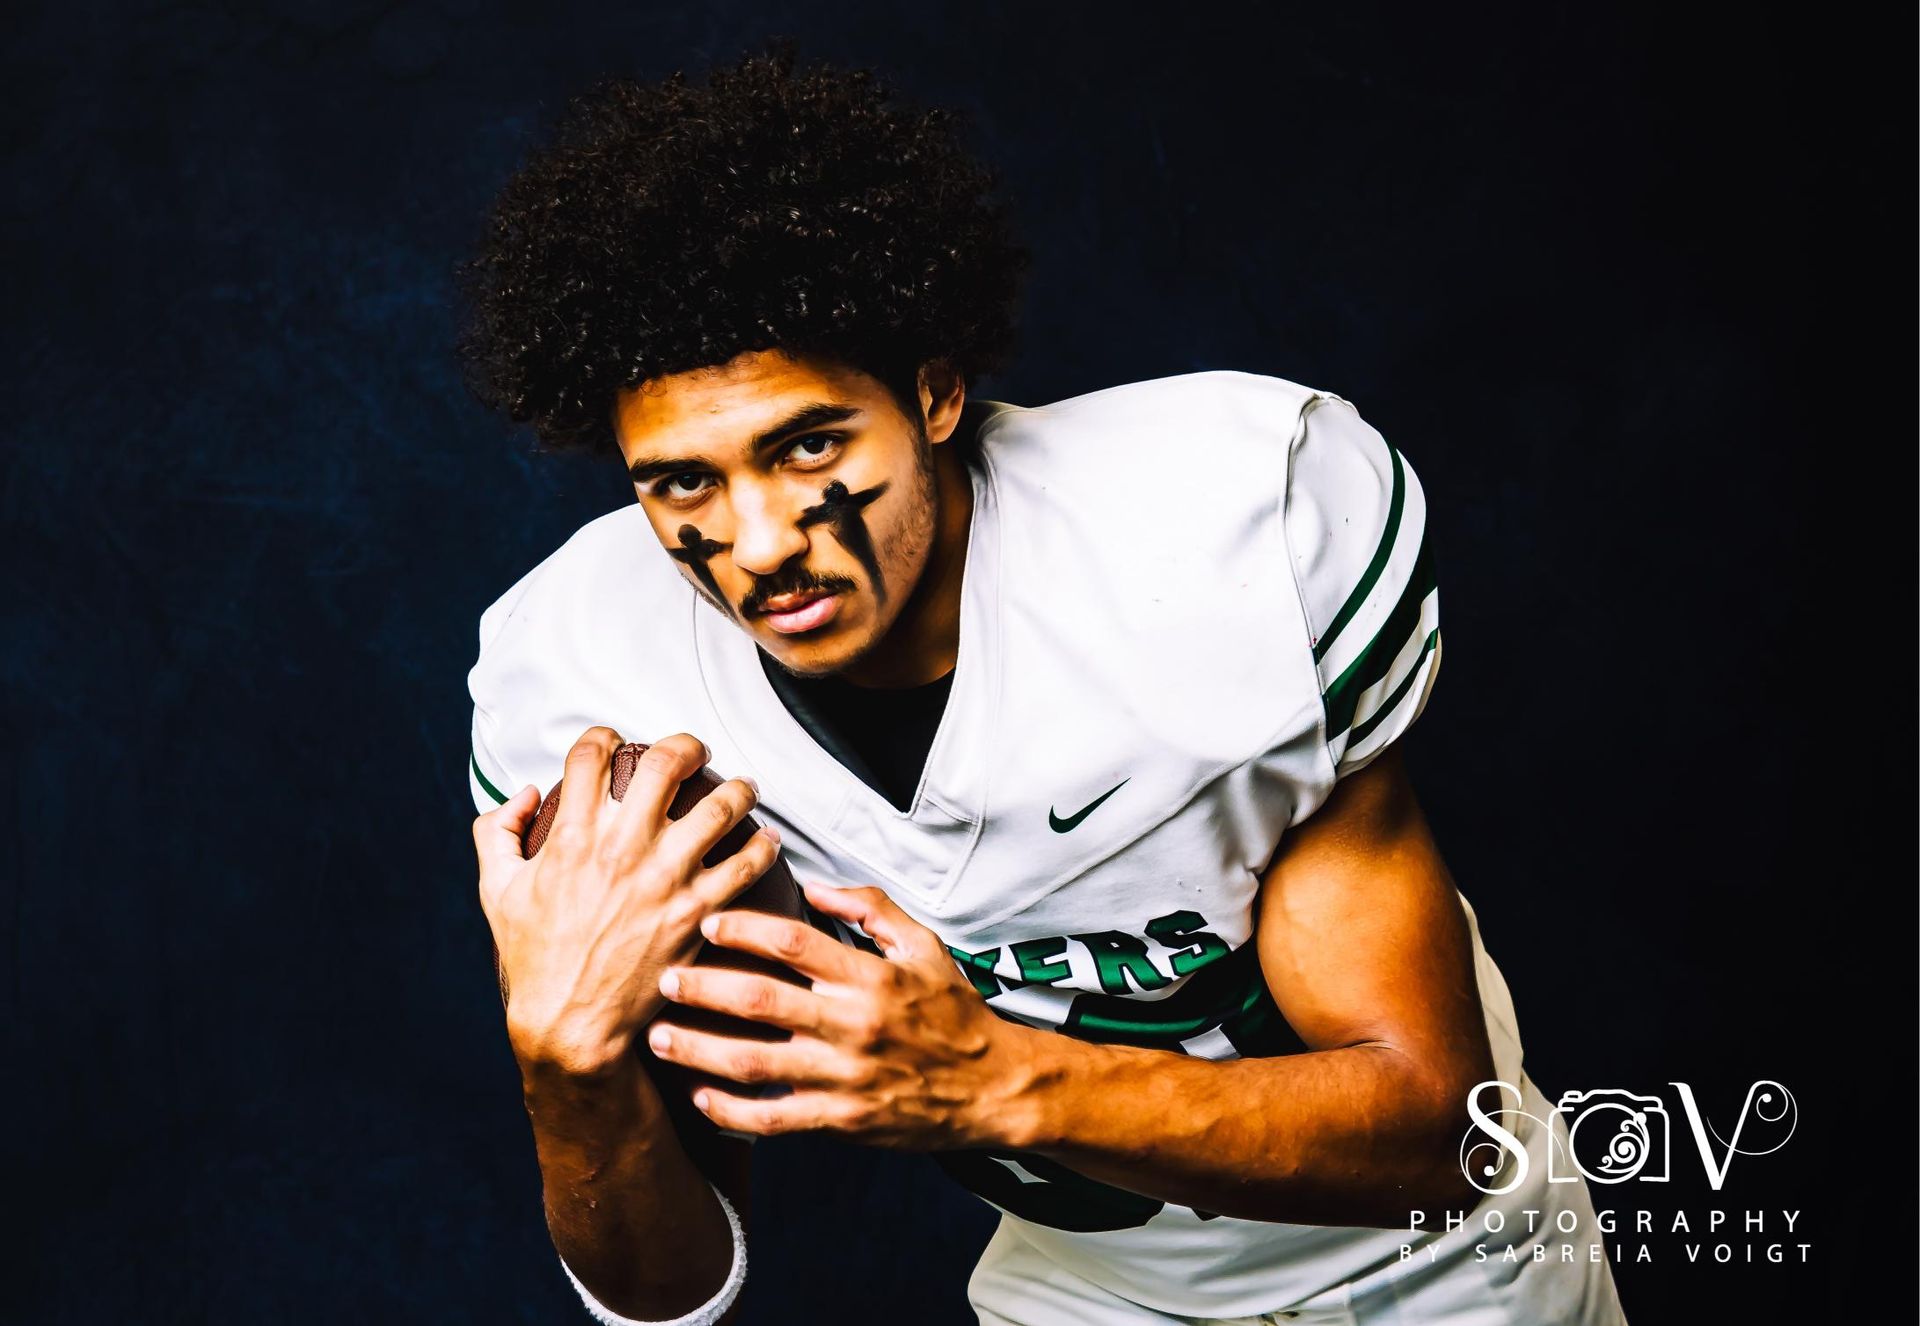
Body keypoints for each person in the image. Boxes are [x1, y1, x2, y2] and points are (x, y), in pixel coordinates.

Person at [458, 47, 1627, 1326]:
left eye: (808, 445)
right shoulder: (591, 687)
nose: (761, 541)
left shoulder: (1218, 535)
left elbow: (1435, 1137)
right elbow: (672, 1296)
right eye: (685, 480)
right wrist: (563, 1058)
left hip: (1441, 1274)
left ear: (935, 391)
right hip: (1085, 1290)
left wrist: (986, 1078)